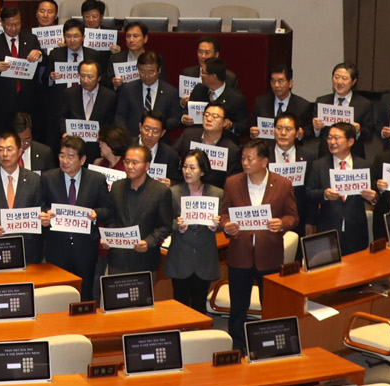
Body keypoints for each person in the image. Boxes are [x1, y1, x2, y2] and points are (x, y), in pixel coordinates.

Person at [223, 138, 298, 352]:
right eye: (243, 158)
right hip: (240, 253)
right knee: (238, 306)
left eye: (250, 158)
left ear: (264, 161)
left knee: (271, 306)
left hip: (269, 255)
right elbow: (223, 214)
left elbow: (293, 217)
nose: (245, 162)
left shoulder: (283, 184)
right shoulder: (232, 182)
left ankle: (273, 345)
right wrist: (227, 225)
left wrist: (281, 223)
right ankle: (237, 346)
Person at [39, 135, 110, 301]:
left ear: (83, 159)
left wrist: (96, 214)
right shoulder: (48, 178)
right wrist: (45, 214)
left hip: (85, 248)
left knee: (85, 294)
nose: (65, 160)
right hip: (57, 247)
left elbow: (108, 209)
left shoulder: (96, 180)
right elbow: (40, 205)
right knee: (56, 295)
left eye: (70, 157)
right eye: (62, 155)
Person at [166, 149, 225, 314]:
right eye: (185, 167)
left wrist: (216, 226)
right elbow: (164, 223)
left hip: (204, 258)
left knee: (199, 306)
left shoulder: (217, 194)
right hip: (180, 258)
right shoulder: (173, 192)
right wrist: (177, 225)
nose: (187, 171)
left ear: (203, 171)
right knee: (179, 306)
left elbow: (223, 222)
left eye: (192, 168)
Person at [101, 144, 171, 281]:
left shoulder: (161, 191)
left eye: (135, 162)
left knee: (142, 302)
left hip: (144, 260)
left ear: (147, 166)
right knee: (116, 301)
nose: (129, 166)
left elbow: (165, 226)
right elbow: (111, 218)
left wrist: (149, 242)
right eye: (127, 162)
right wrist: (109, 237)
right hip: (117, 260)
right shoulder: (117, 186)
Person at [311, 121, 373, 253]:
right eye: (329, 137)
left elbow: (374, 196)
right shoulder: (319, 165)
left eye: (336, 138)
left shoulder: (364, 165)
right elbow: (309, 192)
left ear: (350, 142)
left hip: (356, 231)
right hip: (328, 229)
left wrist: (373, 198)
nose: (331, 142)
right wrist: (324, 194)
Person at [0, 130, 45, 262]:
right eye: (0, 149)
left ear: (20, 151)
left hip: (28, 251)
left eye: (9, 149)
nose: (4, 154)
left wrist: (44, 216)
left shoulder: (34, 179)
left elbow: (41, 209)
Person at [0, 9, 43, 133]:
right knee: (3, 134)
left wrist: (39, 54)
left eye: (17, 24)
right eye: (10, 25)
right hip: (3, 99)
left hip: (28, 98)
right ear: (2, 23)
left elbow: (45, 61)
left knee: (27, 133)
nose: (14, 28)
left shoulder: (31, 39)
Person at [316, 61, 378, 152]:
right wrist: (316, 128)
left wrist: (358, 131)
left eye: (344, 78)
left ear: (353, 82)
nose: (339, 82)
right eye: (336, 77)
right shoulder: (322, 101)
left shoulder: (364, 104)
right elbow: (312, 133)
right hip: (326, 153)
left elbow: (369, 135)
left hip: (353, 154)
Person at [177, 101, 240, 187]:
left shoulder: (232, 150)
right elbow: (174, 158)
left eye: (215, 116)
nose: (209, 119)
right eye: (206, 115)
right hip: (185, 188)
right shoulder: (188, 135)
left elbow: (230, 182)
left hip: (215, 194)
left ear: (225, 122)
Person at [119, 51, 182, 132]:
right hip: (132, 140)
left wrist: (157, 125)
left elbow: (175, 119)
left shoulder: (170, 92)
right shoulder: (128, 89)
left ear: (159, 70)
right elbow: (120, 116)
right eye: (142, 72)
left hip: (159, 140)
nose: (146, 76)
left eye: (151, 72)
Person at [188, 58, 250, 139]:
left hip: (224, 141)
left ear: (213, 76)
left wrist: (231, 125)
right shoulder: (198, 90)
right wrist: (185, 118)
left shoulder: (236, 99)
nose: (201, 75)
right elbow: (188, 111)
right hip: (198, 138)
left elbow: (244, 126)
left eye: (203, 72)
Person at [256, 65, 315, 142]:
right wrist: (253, 132)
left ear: (290, 83)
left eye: (280, 81)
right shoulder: (261, 103)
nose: (276, 85)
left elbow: (309, 132)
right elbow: (253, 126)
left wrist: (301, 133)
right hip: (266, 149)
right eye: (273, 81)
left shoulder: (303, 106)